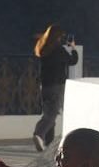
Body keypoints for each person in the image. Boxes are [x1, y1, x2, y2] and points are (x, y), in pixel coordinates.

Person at [32, 24, 79, 152]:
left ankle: (48, 143)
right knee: (51, 114)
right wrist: (73, 48)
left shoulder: (43, 48)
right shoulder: (58, 50)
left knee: (49, 112)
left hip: (45, 86)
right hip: (56, 86)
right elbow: (72, 61)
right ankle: (39, 134)